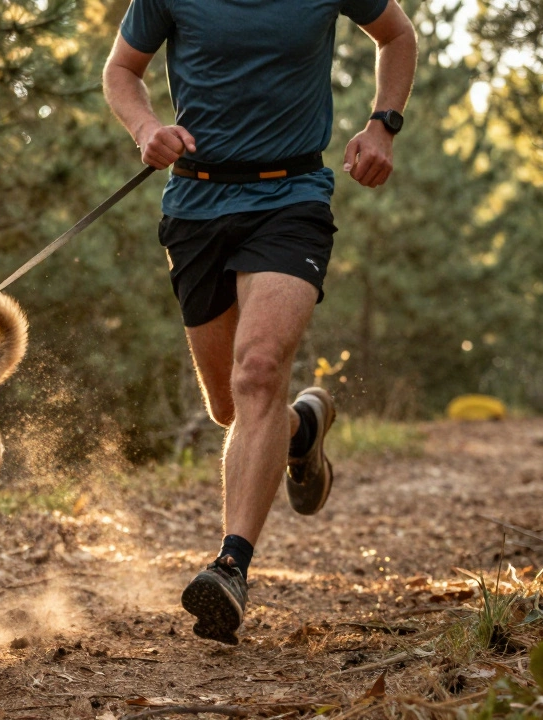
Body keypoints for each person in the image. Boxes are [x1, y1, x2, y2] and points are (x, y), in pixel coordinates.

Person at [103, 0, 418, 643]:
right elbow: (121, 70)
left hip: (291, 196)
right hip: (195, 203)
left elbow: (397, 34)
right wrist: (145, 129)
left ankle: (231, 567)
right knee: (231, 408)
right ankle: (301, 428)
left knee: (259, 372)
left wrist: (383, 124)